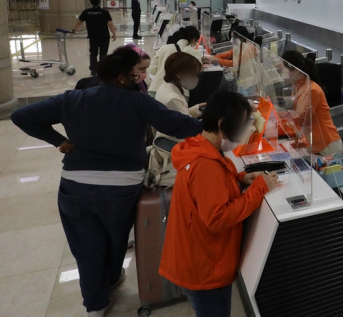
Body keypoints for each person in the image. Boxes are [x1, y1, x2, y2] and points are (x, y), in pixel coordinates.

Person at [10, 47, 203, 317]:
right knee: (115, 240)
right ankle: (112, 278)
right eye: (137, 74)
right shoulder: (138, 102)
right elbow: (180, 126)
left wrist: (59, 141)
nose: (141, 78)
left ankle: (95, 305)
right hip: (122, 187)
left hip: (74, 185)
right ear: (121, 77)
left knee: (85, 246)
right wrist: (220, 122)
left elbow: (21, 116)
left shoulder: (72, 98)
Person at [159, 90, 278, 317]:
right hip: (204, 268)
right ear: (223, 124)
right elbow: (217, 218)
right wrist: (259, 188)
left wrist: (241, 179)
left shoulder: (200, 146)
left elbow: (214, 185)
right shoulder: (205, 165)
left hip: (196, 258)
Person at [281, 50, 342, 156]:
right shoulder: (299, 85)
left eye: (288, 70)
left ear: (296, 70)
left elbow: (302, 118)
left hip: (326, 145)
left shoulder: (312, 90)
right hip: (312, 141)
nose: (286, 74)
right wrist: (282, 102)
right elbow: (297, 103)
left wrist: (280, 119)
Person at [154, 53, 205, 135]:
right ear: (179, 74)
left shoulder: (166, 87)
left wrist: (198, 109)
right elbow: (187, 125)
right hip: (177, 141)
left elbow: (179, 115)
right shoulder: (172, 98)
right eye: (194, 75)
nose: (196, 78)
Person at [148, 26, 202, 97]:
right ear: (194, 39)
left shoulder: (164, 48)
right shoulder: (194, 52)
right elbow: (198, 71)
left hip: (156, 90)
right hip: (178, 93)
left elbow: (152, 70)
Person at [71, 0, 117, 76]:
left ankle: (93, 70)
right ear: (99, 2)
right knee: (103, 53)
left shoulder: (87, 11)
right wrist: (114, 33)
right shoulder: (104, 12)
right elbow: (110, 23)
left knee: (93, 53)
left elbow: (79, 21)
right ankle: (102, 69)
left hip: (92, 36)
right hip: (104, 36)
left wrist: (74, 29)